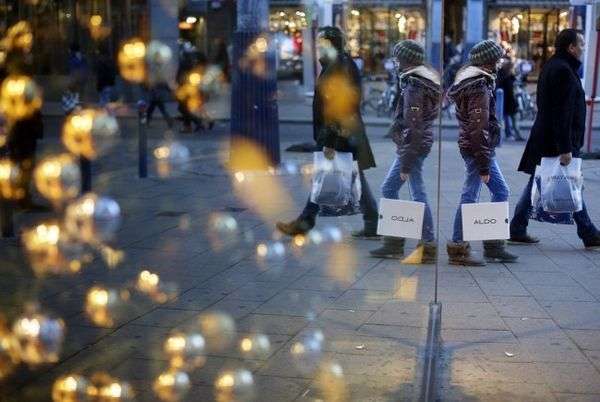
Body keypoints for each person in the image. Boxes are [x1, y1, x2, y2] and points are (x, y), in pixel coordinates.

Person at [276, 26, 378, 238]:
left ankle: (305, 222)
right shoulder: (338, 63)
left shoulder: (338, 66)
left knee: (324, 177)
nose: (318, 46)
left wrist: (330, 141)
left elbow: (339, 107)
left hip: (341, 134)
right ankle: (372, 222)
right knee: (352, 176)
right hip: (345, 133)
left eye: (322, 42)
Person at [510, 29, 600, 249]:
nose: (583, 47)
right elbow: (562, 113)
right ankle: (588, 232)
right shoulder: (563, 71)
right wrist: (565, 148)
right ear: (571, 47)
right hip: (556, 142)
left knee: (540, 182)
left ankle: (517, 228)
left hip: (548, 138)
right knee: (570, 183)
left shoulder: (555, 65)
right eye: (581, 44)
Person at [446, 40, 518, 266]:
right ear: (488, 62)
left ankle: (492, 245)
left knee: (497, 191)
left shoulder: (476, 81)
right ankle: (459, 247)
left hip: (477, 148)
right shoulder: (478, 87)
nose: (500, 63)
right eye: (497, 59)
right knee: (473, 194)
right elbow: (478, 128)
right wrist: (484, 164)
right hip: (477, 149)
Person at [369, 40, 441, 262]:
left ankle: (411, 242)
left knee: (396, 189)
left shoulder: (414, 86)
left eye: (397, 58)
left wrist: (406, 162)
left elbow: (414, 125)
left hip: (413, 147)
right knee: (412, 190)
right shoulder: (421, 81)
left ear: (406, 60)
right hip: (418, 144)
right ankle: (414, 242)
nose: (395, 61)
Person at [496, 59, 524, 141]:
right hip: (509, 102)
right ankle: (514, 135)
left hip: (506, 102)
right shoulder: (507, 77)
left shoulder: (504, 76)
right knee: (512, 119)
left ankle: (512, 134)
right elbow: (511, 91)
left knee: (508, 119)